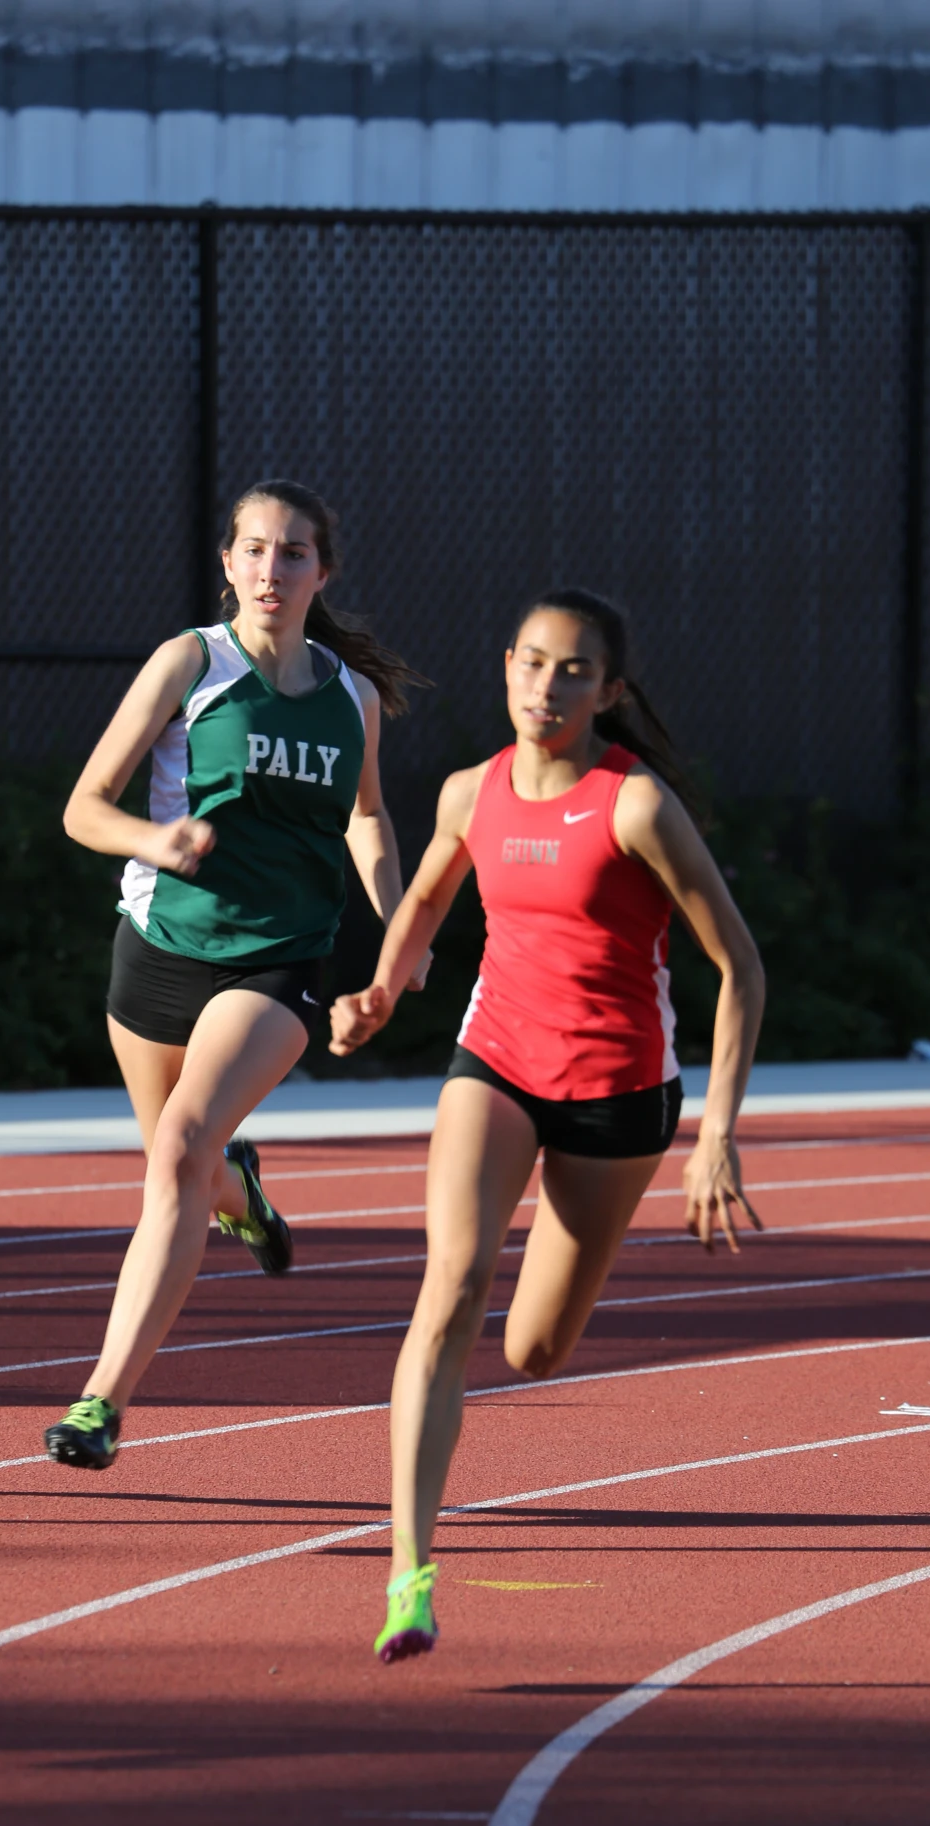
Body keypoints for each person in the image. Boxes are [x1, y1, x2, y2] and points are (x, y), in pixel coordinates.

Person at [329, 588, 765, 1662]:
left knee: (531, 1348)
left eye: (573, 670)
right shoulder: (470, 791)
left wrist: (715, 1130)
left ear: (609, 690)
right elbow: (427, 899)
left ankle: (541, 1324)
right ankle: (408, 1573)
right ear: (506, 668)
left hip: (619, 1090)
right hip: (498, 1061)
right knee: (453, 1284)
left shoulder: (636, 808)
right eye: (530, 663)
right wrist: (382, 991)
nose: (545, 686)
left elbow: (740, 966)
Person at [43, 480, 427, 1469]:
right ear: (228, 564)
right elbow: (84, 809)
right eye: (253, 549)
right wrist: (154, 839)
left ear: (321, 572)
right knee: (189, 1168)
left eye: (292, 552)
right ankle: (245, 1201)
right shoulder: (190, 662)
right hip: (160, 949)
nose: (271, 568)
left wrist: (397, 918)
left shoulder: (351, 696)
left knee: (176, 1148)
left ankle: (100, 1402)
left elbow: (368, 815)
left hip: (281, 958)